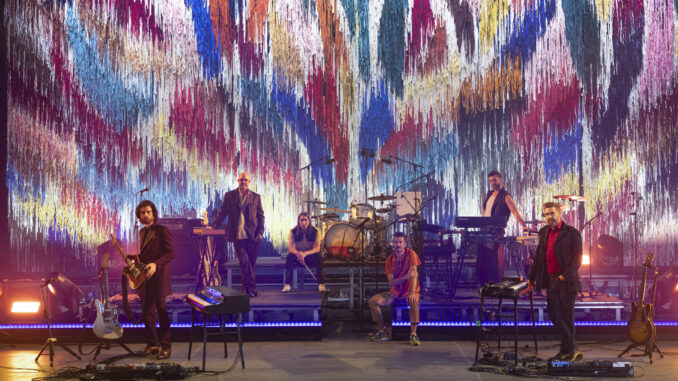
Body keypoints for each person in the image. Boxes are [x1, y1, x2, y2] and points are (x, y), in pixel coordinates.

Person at [525, 202, 583, 361]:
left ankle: (567, 351)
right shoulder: (543, 232)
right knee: (555, 315)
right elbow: (538, 257)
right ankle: (572, 348)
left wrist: (565, 276)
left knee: (567, 318)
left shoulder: (572, 233)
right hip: (550, 280)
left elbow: (577, 259)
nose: (549, 217)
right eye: (546, 214)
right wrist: (531, 277)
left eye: (552, 213)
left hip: (566, 281)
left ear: (559, 213)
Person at [213, 172, 265, 297]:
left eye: (246, 180)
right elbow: (223, 212)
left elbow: (261, 216)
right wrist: (214, 224)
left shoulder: (256, 197)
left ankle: (245, 289)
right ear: (238, 180)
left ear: (249, 181)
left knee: (250, 264)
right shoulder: (230, 195)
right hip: (237, 235)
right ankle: (252, 287)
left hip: (253, 235)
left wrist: (260, 233)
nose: (243, 182)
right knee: (245, 262)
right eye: (241, 180)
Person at [135, 200, 175, 360]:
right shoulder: (142, 232)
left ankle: (166, 346)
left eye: (148, 212)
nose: (145, 215)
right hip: (145, 278)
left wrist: (155, 264)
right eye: (142, 212)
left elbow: (170, 253)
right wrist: (134, 261)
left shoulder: (162, 230)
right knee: (147, 311)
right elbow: (145, 255)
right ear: (139, 216)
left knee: (162, 310)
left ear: (154, 214)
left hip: (159, 276)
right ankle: (152, 344)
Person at [368, 232, 422, 346]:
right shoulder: (389, 260)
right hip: (396, 292)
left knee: (413, 300)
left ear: (405, 243)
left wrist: (412, 292)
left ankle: (413, 333)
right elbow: (391, 282)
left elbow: (414, 274)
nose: (398, 244)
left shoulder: (411, 254)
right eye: (396, 242)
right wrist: (406, 276)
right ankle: (383, 331)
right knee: (373, 301)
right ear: (393, 244)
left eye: (400, 242)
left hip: (410, 290)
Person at [477, 170, 528, 284]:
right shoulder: (489, 194)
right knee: (483, 257)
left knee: (492, 257)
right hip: (484, 230)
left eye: (494, 180)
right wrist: (481, 223)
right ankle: (483, 283)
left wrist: (524, 226)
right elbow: (485, 210)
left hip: (496, 231)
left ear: (500, 179)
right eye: (490, 181)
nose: (493, 182)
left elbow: (515, 212)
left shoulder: (506, 196)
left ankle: (495, 282)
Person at [282, 212, 326, 293]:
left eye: (305, 220)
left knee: (318, 256)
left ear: (309, 221)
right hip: (298, 256)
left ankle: (321, 284)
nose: (303, 222)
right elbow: (291, 248)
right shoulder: (293, 231)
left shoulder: (316, 231)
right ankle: (287, 285)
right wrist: (299, 254)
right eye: (301, 220)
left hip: (309, 256)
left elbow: (317, 248)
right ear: (298, 221)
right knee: (289, 257)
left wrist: (305, 254)